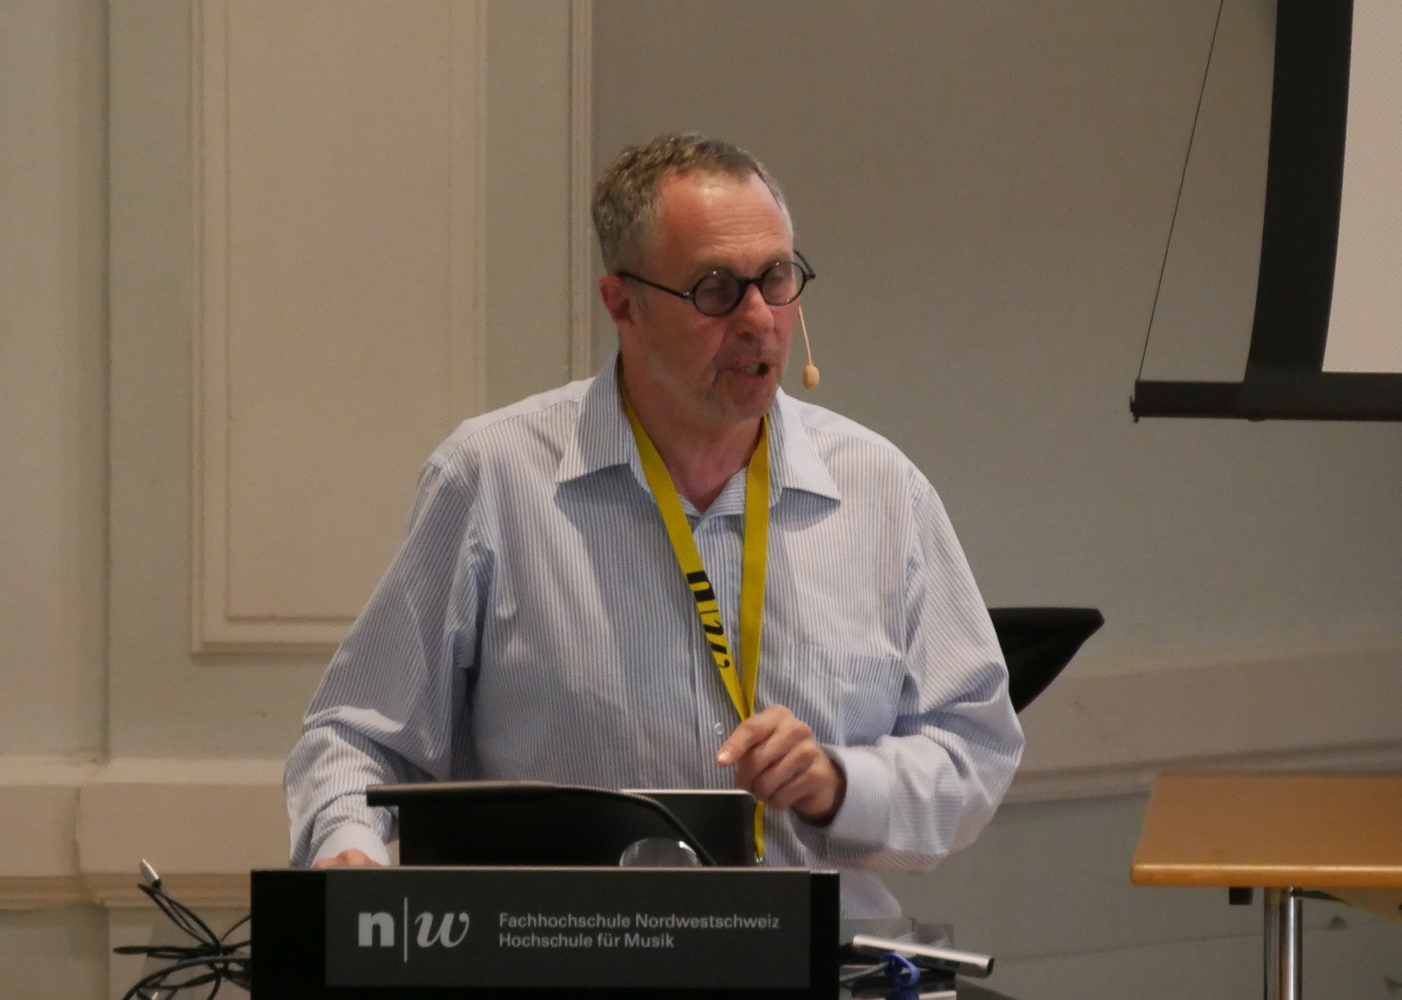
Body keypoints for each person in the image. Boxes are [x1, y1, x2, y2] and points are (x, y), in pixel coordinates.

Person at [285, 134, 1023, 918]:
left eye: (777, 277)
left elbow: (973, 751)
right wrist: (348, 851)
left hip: (822, 962)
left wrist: (838, 784)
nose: (759, 318)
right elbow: (357, 737)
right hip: (563, 958)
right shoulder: (493, 479)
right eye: (716, 289)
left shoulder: (881, 491)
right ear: (623, 305)